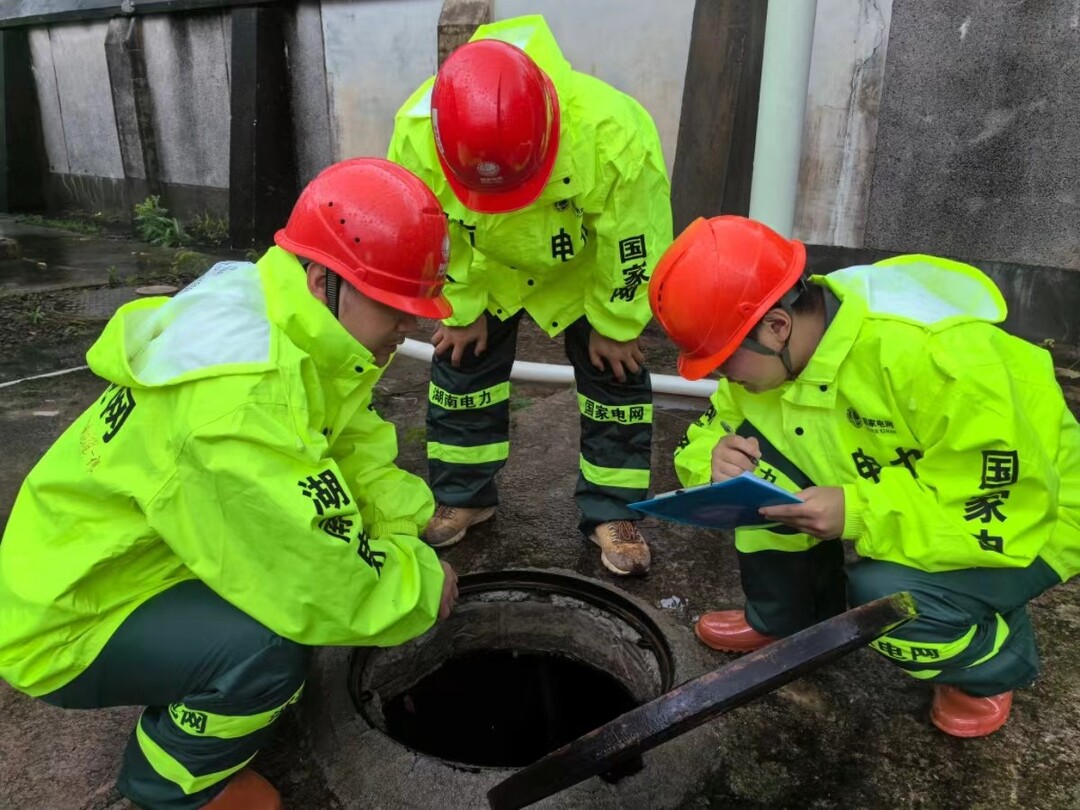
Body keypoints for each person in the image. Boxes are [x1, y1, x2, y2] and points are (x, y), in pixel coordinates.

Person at [0, 158, 460, 808]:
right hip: (68, 614)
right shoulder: (243, 408)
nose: (408, 325)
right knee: (270, 646)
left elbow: (346, 443)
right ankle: (170, 783)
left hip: (107, 553)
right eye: (393, 305)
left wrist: (404, 524)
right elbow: (315, 570)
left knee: (272, 600)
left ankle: (184, 673)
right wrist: (415, 588)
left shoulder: (280, 311)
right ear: (323, 280)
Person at [650, 214, 1080, 737]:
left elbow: (1000, 506)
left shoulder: (936, 357)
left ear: (777, 325)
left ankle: (990, 664)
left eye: (723, 363)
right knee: (756, 479)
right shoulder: (774, 361)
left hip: (1034, 514)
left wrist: (858, 512)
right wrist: (715, 460)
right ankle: (787, 619)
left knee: (886, 599)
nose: (723, 378)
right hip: (911, 488)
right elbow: (713, 429)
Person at [387, 14, 673, 576]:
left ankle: (613, 512)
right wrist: (461, 305)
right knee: (460, 370)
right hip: (486, 266)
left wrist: (618, 321)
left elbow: (636, 235)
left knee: (617, 378)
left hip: (585, 268)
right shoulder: (419, 130)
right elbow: (431, 226)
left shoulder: (612, 130)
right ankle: (465, 495)